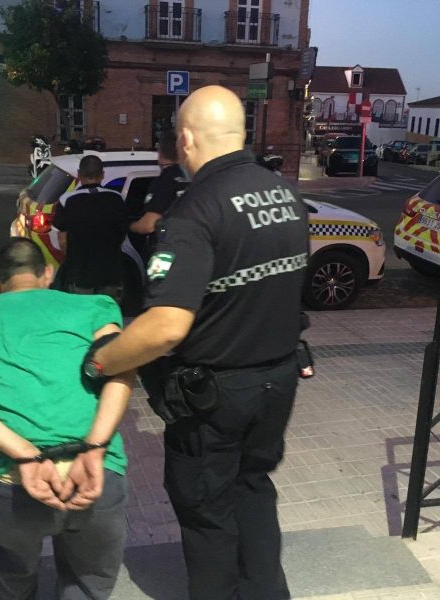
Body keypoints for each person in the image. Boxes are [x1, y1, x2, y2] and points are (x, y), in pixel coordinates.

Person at [82, 85, 309, 599]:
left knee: (207, 513)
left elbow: (165, 326)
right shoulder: (285, 194)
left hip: (216, 397)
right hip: (277, 380)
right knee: (253, 488)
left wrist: (102, 360)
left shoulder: (193, 213)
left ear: (185, 139)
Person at [0, 238, 134, 600]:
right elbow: (119, 371)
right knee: (88, 580)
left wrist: (25, 452)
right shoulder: (96, 307)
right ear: (48, 274)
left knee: (14, 567)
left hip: (13, 482)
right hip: (96, 474)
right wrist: (94, 446)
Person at [51, 155, 127, 301]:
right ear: (102, 175)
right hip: (110, 272)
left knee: (82, 315)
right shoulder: (117, 198)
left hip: (80, 273)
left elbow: (62, 240)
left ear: (79, 175)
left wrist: (72, 257)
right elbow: (122, 232)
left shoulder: (67, 200)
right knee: (106, 315)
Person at [130, 130, 188, 253]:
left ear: (160, 154)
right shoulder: (195, 177)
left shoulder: (165, 180)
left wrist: (130, 227)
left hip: (168, 252)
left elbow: (149, 225)